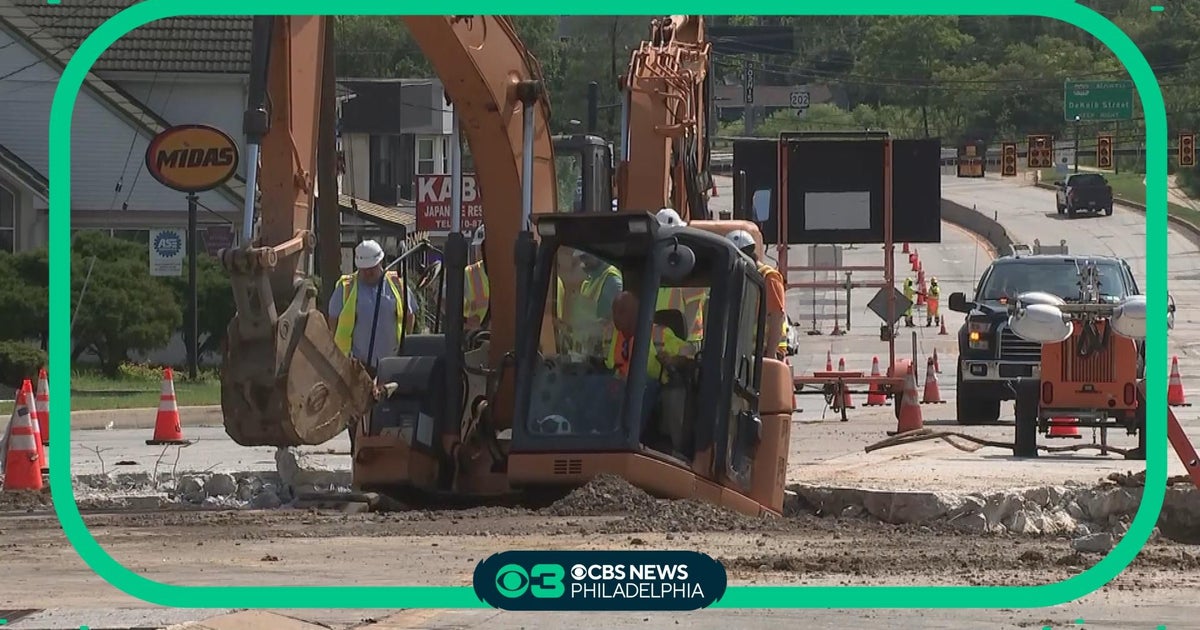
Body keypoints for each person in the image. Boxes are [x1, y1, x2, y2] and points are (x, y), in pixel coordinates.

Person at [328, 239, 416, 372]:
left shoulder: (397, 284)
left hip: (393, 362)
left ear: (380, 262)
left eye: (372, 268)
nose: (368, 273)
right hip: (357, 366)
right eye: (364, 269)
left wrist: (405, 345)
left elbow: (409, 316)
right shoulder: (346, 287)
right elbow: (333, 320)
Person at [726, 230, 787, 358]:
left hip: (764, 352)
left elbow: (776, 317)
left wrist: (770, 355)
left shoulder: (768, 278)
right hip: (743, 354)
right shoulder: (737, 277)